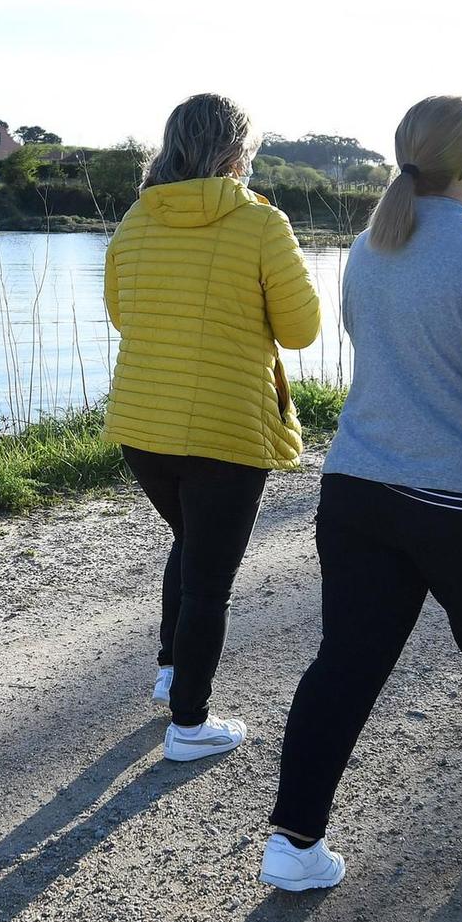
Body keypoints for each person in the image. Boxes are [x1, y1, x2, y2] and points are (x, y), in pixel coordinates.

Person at [261, 95, 462, 892]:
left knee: (344, 665)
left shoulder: (370, 250)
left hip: (360, 490)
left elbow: (377, 353)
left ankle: (293, 841)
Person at [104, 94, 321, 762]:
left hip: (142, 424)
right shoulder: (261, 223)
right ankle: (189, 723)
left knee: (191, 542)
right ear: (236, 154)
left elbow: (121, 313)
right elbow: (301, 328)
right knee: (209, 580)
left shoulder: (137, 219)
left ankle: (173, 669)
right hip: (227, 428)